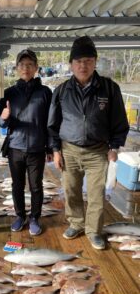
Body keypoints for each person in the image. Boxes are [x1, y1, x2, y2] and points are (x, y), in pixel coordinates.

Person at [48, 36, 129, 250]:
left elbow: (120, 121)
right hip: (69, 150)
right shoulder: (62, 90)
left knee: (96, 193)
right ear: (71, 64)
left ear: (95, 62)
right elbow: (52, 124)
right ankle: (76, 223)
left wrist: (114, 147)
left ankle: (94, 230)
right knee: (72, 190)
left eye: (88, 60)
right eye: (78, 61)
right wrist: (56, 150)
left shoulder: (109, 89)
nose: (83, 65)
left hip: (98, 151)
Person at [0, 49, 52, 236]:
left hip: (37, 148)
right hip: (15, 147)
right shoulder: (9, 93)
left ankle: (35, 217)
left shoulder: (45, 93)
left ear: (36, 68)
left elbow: (51, 123)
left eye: (29, 65)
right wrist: (4, 118)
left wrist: (51, 147)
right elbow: (2, 122)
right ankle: (20, 215)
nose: (25, 68)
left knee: (36, 186)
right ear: (17, 68)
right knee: (17, 185)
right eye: (22, 65)